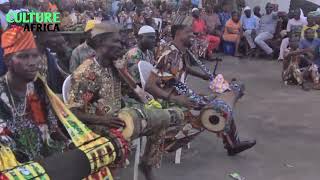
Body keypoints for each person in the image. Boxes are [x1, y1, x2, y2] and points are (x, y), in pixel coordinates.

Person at [67, 21, 183, 180]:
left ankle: (147, 165)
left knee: (161, 119)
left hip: (118, 119)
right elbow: (73, 113)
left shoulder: (114, 66)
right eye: (116, 42)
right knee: (122, 139)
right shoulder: (87, 72)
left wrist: (123, 73)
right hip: (97, 126)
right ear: (100, 42)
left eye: (123, 42)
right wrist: (104, 120)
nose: (123, 46)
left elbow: (134, 92)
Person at [146, 15, 256, 157]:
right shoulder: (169, 54)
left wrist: (204, 76)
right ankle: (165, 143)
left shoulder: (180, 51)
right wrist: (175, 99)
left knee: (220, 104)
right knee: (210, 112)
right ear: (179, 34)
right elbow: (149, 85)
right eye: (189, 32)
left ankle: (232, 144)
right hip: (168, 103)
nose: (192, 35)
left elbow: (184, 68)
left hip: (180, 96)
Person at [0, 26, 69, 164]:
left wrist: (70, 143)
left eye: (35, 55)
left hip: (48, 155)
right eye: (24, 56)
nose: (32, 63)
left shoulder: (38, 86)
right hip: (16, 165)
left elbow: (52, 126)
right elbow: (4, 146)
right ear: (8, 61)